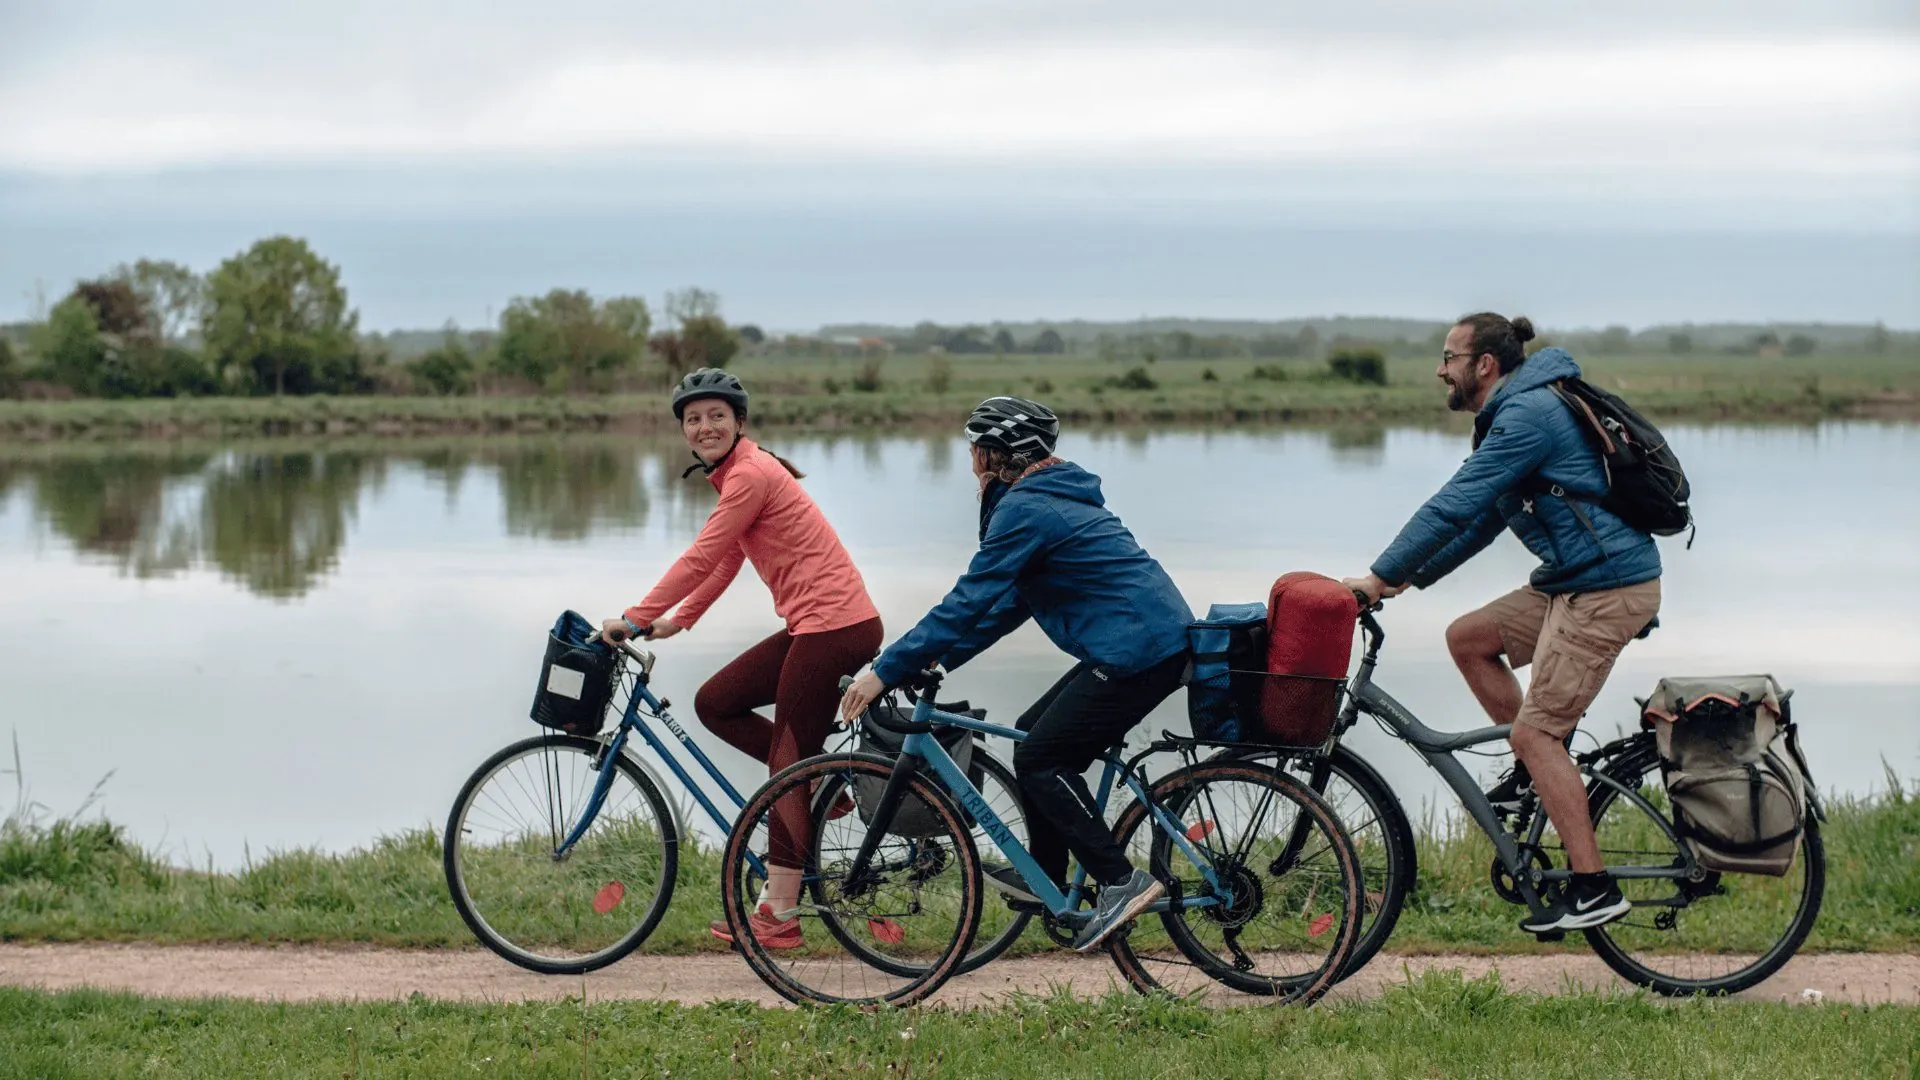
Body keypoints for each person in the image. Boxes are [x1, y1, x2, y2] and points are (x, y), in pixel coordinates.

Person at [1343, 313, 1661, 933]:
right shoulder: (1516, 412)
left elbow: (1454, 503)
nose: (1440, 370)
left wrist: (1378, 576)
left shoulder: (1527, 416)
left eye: (1449, 358)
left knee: (1537, 734)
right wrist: (1412, 576)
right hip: (1575, 579)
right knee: (1468, 639)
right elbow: (1484, 518)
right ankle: (1534, 776)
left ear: (1484, 365)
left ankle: (1593, 887)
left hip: (1608, 587)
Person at [840, 396, 1195, 952]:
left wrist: (886, 670)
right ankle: (1047, 878)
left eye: (974, 450)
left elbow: (967, 598)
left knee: (1041, 760)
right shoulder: (1046, 496)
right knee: (1032, 737)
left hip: (1138, 653)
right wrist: (939, 659)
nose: (970, 462)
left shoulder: (1027, 508)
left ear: (993, 454)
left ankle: (1121, 881)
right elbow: (1008, 603)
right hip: (1141, 643)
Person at [601, 368, 883, 950]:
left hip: (836, 628)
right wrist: (679, 619)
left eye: (716, 416)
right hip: (816, 626)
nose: (704, 427)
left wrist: (634, 616)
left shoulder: (750, 473)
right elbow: (728, 557)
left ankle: (779, 914)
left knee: (786, 764)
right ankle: (820, 787)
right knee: (717, 702)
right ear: (683, 429)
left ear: (739, 422)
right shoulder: (739, 473)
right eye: (693, 419)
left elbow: (701, 556)